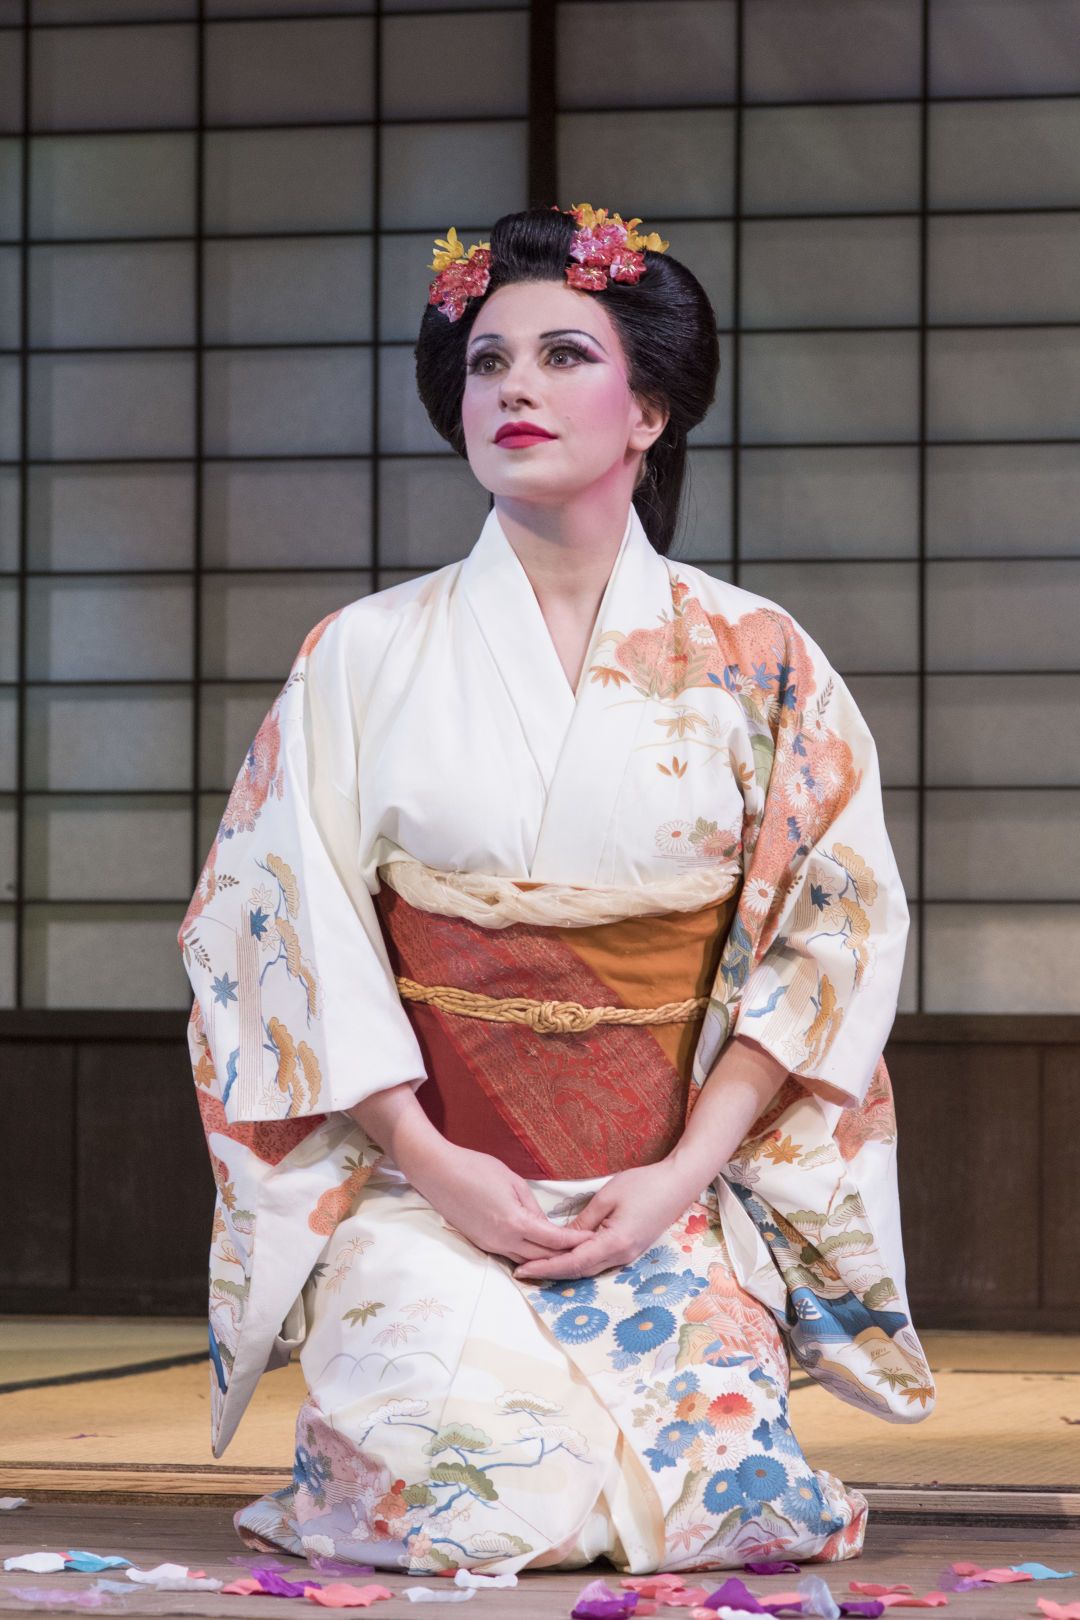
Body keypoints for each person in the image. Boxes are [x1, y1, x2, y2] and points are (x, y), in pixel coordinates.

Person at [180, 204, 934, 1577]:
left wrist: (678, 1180)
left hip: (662, 1184)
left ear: (648, 409)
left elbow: (830, 944)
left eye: (561, 355)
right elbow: (280, 925)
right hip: (429, 1180)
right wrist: (435, 1164)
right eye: (485, 362)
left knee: (730, 1516)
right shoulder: (360, 654)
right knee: (466, 1505)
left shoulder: (757, 656)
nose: (512, 386)